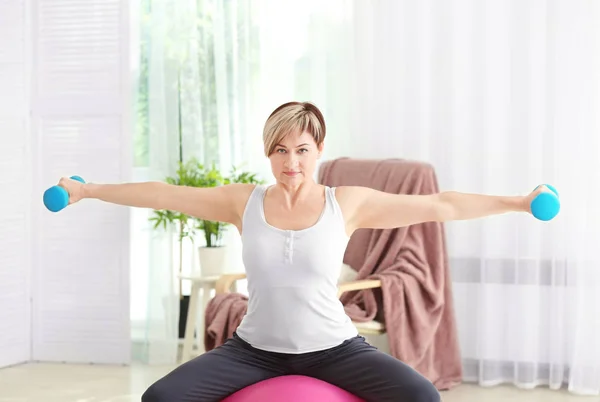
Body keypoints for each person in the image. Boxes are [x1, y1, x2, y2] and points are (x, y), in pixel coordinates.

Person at [58, 101, 548, 402]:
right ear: (268, 152)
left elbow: (440, 204)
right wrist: (90, 189)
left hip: (335, 350)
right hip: (254, 353)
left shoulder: (346, 203)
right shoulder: (241, 201)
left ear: (319, 151)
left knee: (420, 396)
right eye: (280, 150)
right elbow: (163, 194)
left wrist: (519, 203)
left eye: (302, 149)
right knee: (161, 397)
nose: (291, 162)